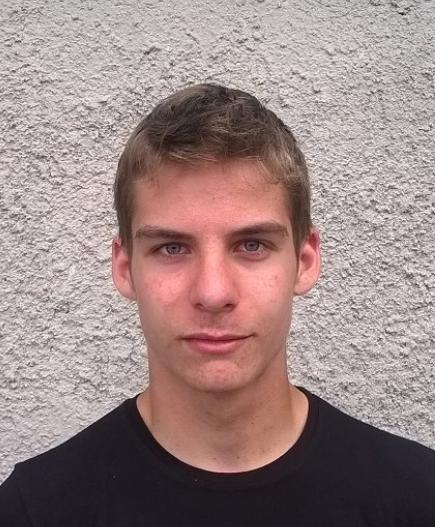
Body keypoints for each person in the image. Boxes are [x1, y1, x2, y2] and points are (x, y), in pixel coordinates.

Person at [0, 83, 434, 526]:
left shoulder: (417, 498)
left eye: (251, 245)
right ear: (125, 268)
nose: (212, 293)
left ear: (304, 261)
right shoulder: (34, 511)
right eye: (171, 248)